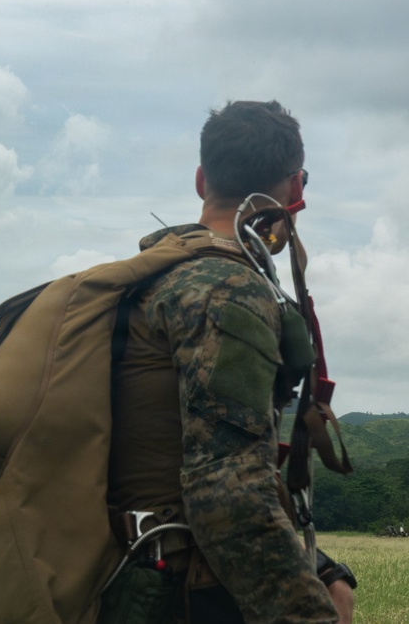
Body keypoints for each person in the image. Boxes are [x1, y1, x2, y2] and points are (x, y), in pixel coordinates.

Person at [104, 100, 354, 623]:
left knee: (335, 585)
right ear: (294, 188)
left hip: (126, 560)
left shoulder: (155, 273)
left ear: (201, 180)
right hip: (178, 585)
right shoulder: (227, 289)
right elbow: (226, 488)